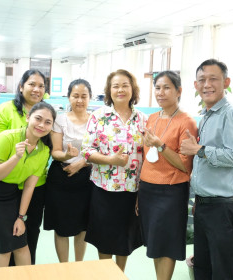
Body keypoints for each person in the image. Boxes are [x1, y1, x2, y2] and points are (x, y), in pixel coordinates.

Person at [180, 59, 233, 280]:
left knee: (222, 271)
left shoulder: (232, 114)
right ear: (195, 85)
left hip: (223, 209)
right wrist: (199, 199)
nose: (207, 84)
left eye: (213, 79)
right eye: (202, 80)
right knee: (203, 267)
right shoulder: (207, 115)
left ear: (226, 82)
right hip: (204, 206)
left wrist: (199, 149)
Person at [0, 69, 47, 264]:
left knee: (26, 240)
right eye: (31, 84)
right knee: (5, 245)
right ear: (21, 86)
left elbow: (48, 148)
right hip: (2, 184)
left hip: (28, 186)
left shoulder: (46, 115)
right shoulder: (7, 111)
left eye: (41, 86)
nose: (36, 89)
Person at [81, 69, 146, 271]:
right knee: (104, 238)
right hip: (104, 189)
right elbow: (86, 152)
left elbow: (147, 155)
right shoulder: (99, 117)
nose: (120, 90)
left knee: (125, 239)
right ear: (109, 90)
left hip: (131, 189)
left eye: (125, 85)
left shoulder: (143, 119)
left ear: (132, 89)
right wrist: (111, 160)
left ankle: (119, 274)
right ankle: (105, 274)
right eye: (115, 86)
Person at [138, 71, 197, 280]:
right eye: (157, 88)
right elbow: (146, 158)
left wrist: (160, 146)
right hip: (147, 189)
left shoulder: (186, 121)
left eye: (166, 87)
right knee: (155, 243)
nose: (160, 92)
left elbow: (184, 164)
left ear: (179, 91)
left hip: (171, 191)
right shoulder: (152, 118)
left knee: (166, 243)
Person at [44, 79, 93, 262]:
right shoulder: (60, 119)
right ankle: (64, 268)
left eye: (84, 96)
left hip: (86, 178)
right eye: (75, 96)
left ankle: (78, 267)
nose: (79, 100)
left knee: (83, 226)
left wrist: (81, 163)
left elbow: (100, 150)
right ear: (69, 96)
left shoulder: (95, 121)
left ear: (90, 98)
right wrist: (66, 157)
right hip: (61, 177)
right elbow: (55, 151)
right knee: (61, 226)